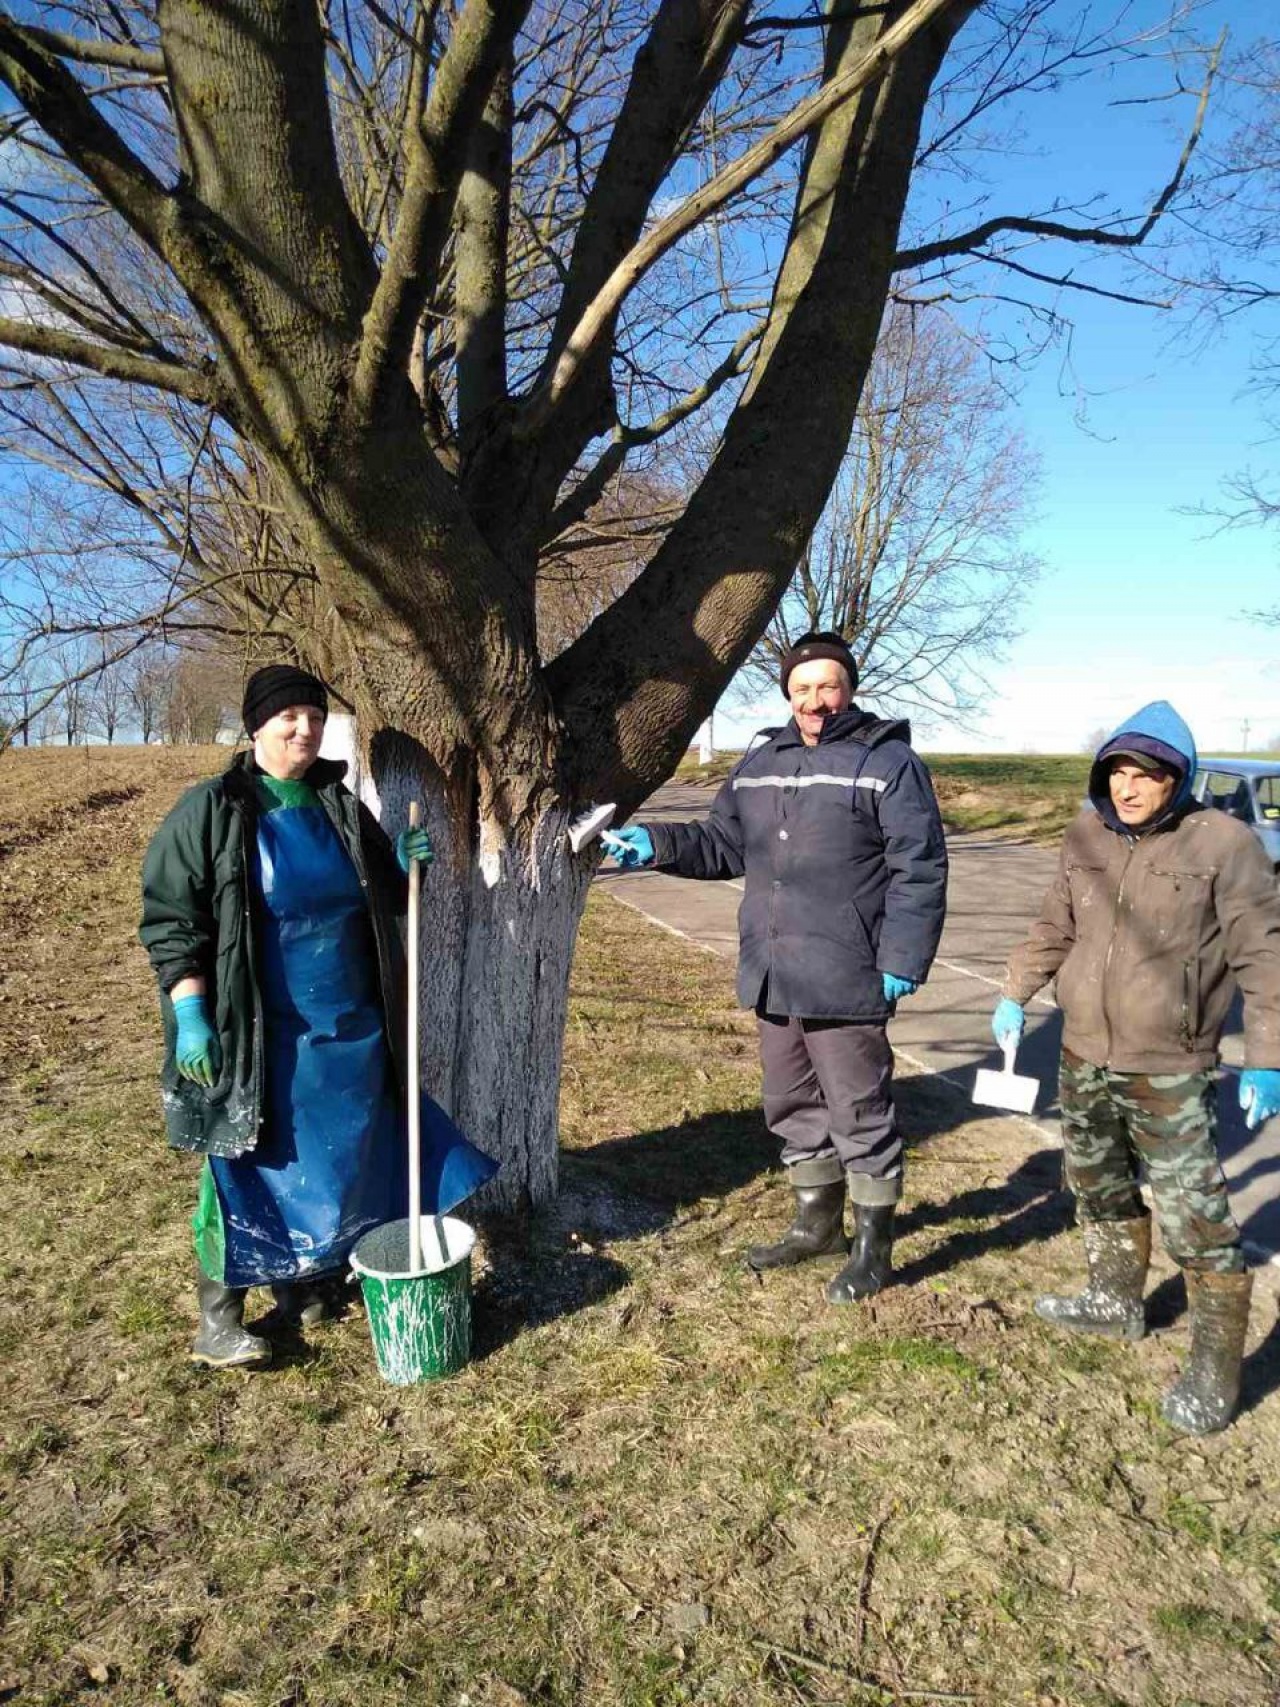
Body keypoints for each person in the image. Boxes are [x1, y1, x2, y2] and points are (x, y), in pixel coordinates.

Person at [140, 664, 488, 1369]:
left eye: (315, 716)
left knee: (340, 1160)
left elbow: (381, 892)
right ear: (256, 726)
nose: (305, 729)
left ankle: (303, 1284)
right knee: (246, 1164)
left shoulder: (337, 803)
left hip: (349, 1024)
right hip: (261, 1032)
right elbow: (172, 918)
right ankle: (218, 1319)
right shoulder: (214, 809)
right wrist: (192, 1011)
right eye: (288, 717)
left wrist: (403, 863)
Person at [605, 631, 948, 1301]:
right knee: (791, 1103)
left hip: (847, 973)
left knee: (858, 1108)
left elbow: (920, 867)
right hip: (774, 972)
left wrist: (904, 955)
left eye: (827, 687)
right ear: (787, 694)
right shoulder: (762, 760)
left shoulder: (889, 762)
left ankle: (873, 1247)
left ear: (849, 689)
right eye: (801, 689)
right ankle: (816, 1226)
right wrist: (656, 843)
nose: (814, 701)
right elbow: (721, 843)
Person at [993, 701, 1280, 1435]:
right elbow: (1056, 921)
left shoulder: (1226, 844)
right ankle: (1114, 1299)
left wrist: (1268, 1057)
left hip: (1170, 1066)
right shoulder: (1085, 833)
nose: (1128, 787)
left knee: (1196, 1217)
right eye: (1118, 771)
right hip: (1083, 1053)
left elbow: (1263, 954)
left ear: (1177, 778)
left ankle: (1216, 1368)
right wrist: (1016, 991)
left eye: (1146, 774)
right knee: (1097, 1184)